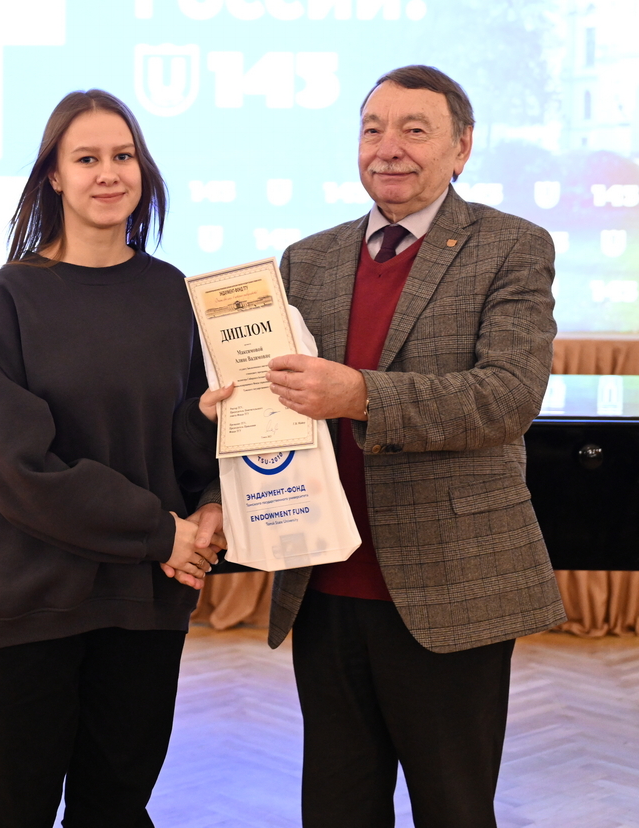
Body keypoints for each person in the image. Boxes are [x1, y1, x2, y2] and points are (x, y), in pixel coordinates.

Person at [262, 65, 567, 828]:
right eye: (373, 129)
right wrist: (234, 406)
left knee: (453, 809)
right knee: (335, 811)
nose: (388, 147)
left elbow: (506, 396)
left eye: (414, 130)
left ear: (461, 147)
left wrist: (359, 395)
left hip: (451, 588)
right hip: (326, 584)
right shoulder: (307, 259)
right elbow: (284, 403)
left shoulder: (512, 247)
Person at [0, 88, 232, 828]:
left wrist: (210, 493)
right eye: (87, 158)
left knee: (115, 812)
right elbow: (16, 468)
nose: (109, 173)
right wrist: (160, 532)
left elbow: (180, 442)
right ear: (54, 177)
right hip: (27, 601)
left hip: (141, 603)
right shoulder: (6, 298)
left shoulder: (175, 294)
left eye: (123, 155)